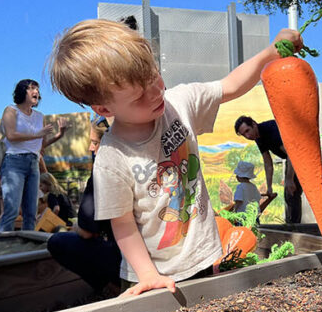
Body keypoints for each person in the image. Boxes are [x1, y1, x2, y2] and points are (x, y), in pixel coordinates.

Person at [48, 18, 303, 296]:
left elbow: (231, 85)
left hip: (204, 259)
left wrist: (271, 52)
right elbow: (123, 224)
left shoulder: (178, 103)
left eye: (154, 76)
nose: (157, 91)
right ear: (104, 107)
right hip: (151, 276)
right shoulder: (111, 158)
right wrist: (148, 275)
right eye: (139, 95)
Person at [47, 116, 122, 293]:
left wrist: (78, 226)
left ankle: (111, 287)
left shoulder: (102, 174)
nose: (90, 148)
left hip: (126, 260)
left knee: (58, 241)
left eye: (95, 143)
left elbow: (87, 232)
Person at [0, 79, 65, 231]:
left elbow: (42, 145)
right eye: (31, 88)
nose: (36, 92)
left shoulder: (40, 116)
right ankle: (4, 247)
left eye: (37, 89)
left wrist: (61, 134)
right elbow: (11, 135)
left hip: (33, 163)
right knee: (12, 210)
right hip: (14, 162)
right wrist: (36, 134)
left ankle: (28, 246)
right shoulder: (10, 110)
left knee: (31, 211)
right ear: (22, 92)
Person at [234, 116, 303, 223]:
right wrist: (269, 187)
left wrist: (289, 179)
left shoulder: (271, 129)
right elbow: (268, 163)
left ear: (253, 124)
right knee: (290, 195)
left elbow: (292, 154)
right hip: (293, 159)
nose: (248, 136)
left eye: (247, 131)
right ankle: (292, 225)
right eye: (244, 135)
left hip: (301, 156)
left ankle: (294, 228)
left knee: (291, 193)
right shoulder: (258, 137)